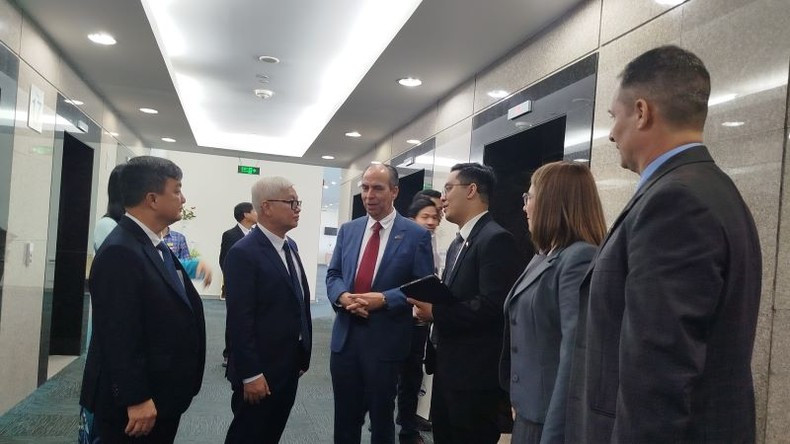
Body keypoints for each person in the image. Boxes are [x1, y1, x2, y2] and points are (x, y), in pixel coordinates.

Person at [565, 45, 762, 443]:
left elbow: (657, 377)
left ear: (641, 111)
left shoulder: (676, 202)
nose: (611, 133)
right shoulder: (709, 189)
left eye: (614, 117)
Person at [79, 155, 206, 443]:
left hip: (161, 391)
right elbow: (118, 333)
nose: (183, 199)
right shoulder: (120, 251)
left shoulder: (151, 244)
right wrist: (135, 398)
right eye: (176, 190)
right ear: (152, 199)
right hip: (135, 405)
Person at [411, 163, 520, 444]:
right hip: (449, 369)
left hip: (474, 377)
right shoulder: (459, 241)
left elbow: (492, 306)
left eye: (449, 188)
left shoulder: (495, 239)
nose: (442, 198)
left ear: (471, 190)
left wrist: (436, 312)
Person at [326, 164, 434, 444]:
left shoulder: (415, 235)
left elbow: (423, 287)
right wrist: (342, 297)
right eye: (364, 187)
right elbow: (333, 274)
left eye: (377, 188)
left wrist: (385, 299)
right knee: (345, 419)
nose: (369, 195)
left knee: (381, 421)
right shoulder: (348, 230)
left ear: (394, 191)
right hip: (346, 339)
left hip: (386, 342)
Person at [499, 161, 606, 444]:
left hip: (551, 420)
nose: (524, 207)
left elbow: (574, 355)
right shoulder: (543, 256)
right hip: (528, 410)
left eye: (529, 197)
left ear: (552, 201)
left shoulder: (579, 258)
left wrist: (555, 432)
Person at [223, 177, 312, 444]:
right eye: (291, 202)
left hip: (288, 364)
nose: (298, 208)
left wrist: (301, 352)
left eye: (298, 202)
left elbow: (297, 300)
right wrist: (251, 374)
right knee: (248, 435)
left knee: (270, 434)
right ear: (267, 207)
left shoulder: (290, 246)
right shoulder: (243, 253)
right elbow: (240, 320)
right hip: (259, 370)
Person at [397, 197, 440, 444]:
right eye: (426, 217)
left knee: (412, 378)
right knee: (393, 378)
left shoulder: (435, 244)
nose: (431, 222)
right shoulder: (403, 244)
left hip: (422, 323)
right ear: (412, 219)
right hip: (401, 320)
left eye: (435, 217)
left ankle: (407, 427)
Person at [219, 202, 258, 366]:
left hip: (256, 287)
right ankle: (229, 354)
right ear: (246, 214)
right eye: (254, 210)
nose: (257, 213)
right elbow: (224, 261)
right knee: (235, 319)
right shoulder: (230, 235)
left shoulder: (257, 234)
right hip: (237, 287)